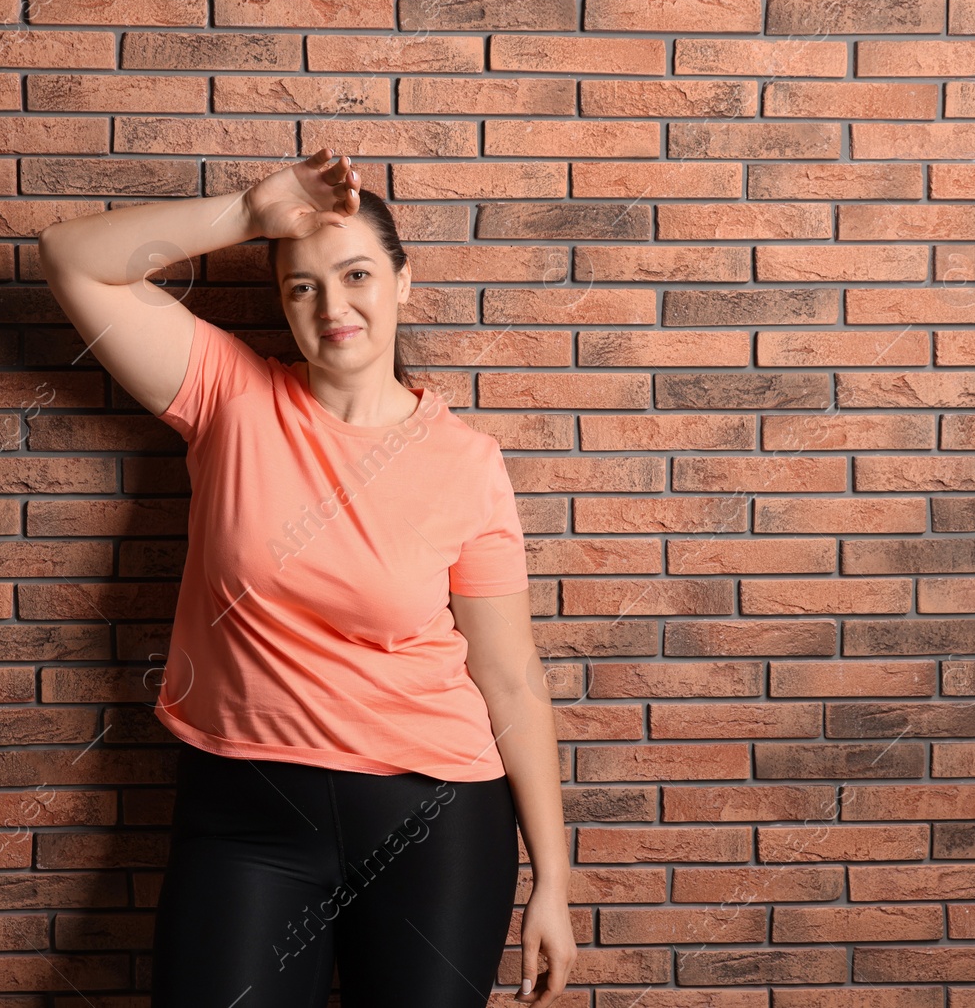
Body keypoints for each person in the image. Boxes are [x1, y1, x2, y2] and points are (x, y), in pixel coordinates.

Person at [37, 148, 576, 1008]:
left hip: (434, 820)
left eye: (357, 273)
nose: (334, 306)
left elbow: (511, 678)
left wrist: (554, 877)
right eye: (302, 286)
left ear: (403, 282)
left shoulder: (469, 463)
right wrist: (252, 212)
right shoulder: (228, 394)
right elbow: (71, 259)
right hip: (246, 818)